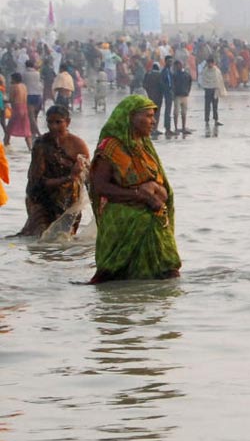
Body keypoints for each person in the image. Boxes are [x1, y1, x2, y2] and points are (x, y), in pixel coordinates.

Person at [88, 95, 181, 283]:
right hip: (124, 223)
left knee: (167, 275)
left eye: (153, 116)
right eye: (148, 116)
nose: (153, 121)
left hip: (154, 220)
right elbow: (100, 186)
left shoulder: (144, 145)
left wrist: (154, 189)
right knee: (112, 280)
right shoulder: (111, 147)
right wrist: (140, 196)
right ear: (130, 117)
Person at [15, 105, 90, 237]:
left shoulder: (78, 144)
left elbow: (89, 177)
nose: (53, 126)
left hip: (69, 201)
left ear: (68, 122)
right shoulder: (41, 144)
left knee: (65, 239)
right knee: (41, 238)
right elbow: (37, 182)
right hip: (41, 198)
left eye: (58, 122)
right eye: (50, 122)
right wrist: (69, 178)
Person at [4, 72, 32, 150]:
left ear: (14, 79)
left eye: (11, 79)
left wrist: (4, 101)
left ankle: (5, 147)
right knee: (26, 131)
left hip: (17, 109)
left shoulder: (13, 86)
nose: (10, 80)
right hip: (24, 108)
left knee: (8, 130)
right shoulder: (24, 86)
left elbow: (11, 99)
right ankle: (30, 148)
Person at [199, 57, 226, 128]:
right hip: (207, 90)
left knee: (215, 106)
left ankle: (216, 120)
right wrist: (205, 87)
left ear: (213, 63)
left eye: (211, 63)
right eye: (208, 63)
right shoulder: (205, 71)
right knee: (207, 106)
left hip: (215, 90)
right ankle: (207, 120)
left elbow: (220, 80)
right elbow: (203, 80)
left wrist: (220, 89)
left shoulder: (217, 71)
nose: (210, 64)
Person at [172, 59, 192, 134]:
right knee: (176, 113)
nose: (177, 66)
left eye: (178, 64)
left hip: (184, 95)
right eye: (176, 65)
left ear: (181, 65)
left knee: (184, 113)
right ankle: (176, 128)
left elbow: (190, 83)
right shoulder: (174, 75)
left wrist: (187, 91)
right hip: (177, 95)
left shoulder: (186, 74)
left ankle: (183, 127)